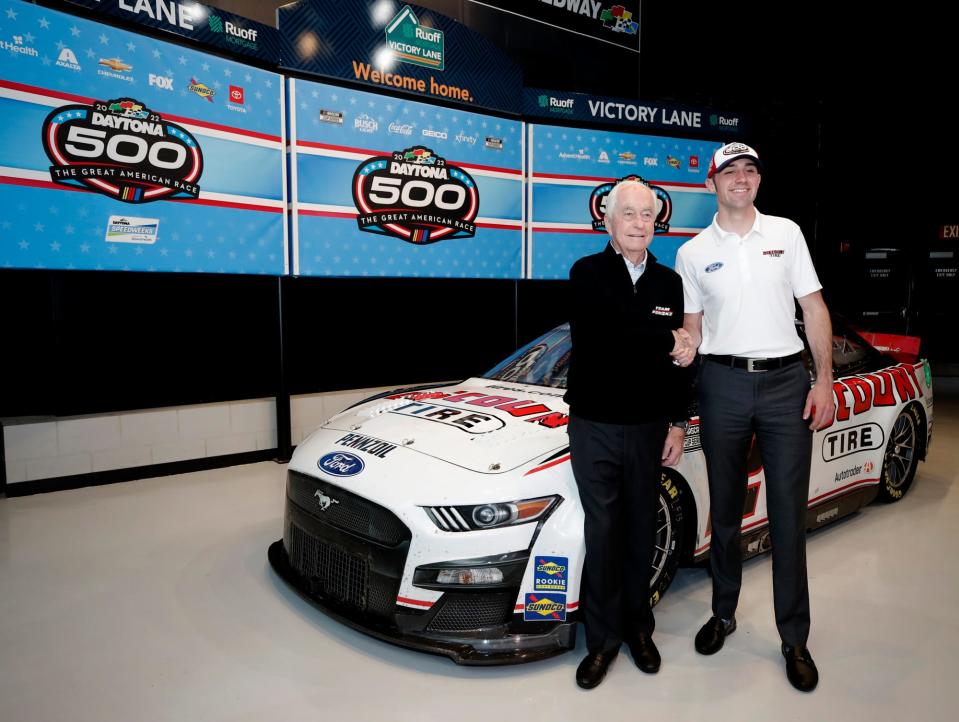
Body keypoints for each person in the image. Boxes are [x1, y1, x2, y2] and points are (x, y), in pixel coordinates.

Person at [672, 142, 835, 692]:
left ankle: (795, 637)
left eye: (750, 171)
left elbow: (813, 307)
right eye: (730, 172)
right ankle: (722, 614)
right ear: (711, 183)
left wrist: (825, 380)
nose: (740, 179)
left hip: (788, 383)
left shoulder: (786, 234)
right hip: (722, 384)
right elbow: (693, 329)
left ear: (758, 182)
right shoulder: (692, 253)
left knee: (789, 513)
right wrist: (677, 345)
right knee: (725, 509)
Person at [564, 179, 691, 689]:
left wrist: (679, 421)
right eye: (630, 214)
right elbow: (601, 338)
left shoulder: (669, 283)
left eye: (648, 215)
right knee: (604, 533)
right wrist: (665, 338)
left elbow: (681, 362)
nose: (640, 223)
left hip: (646, 427)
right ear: (609, 221)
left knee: (641, 530)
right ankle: (602, 643)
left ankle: (640, 630)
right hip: (593, 425)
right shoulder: (586, 273)